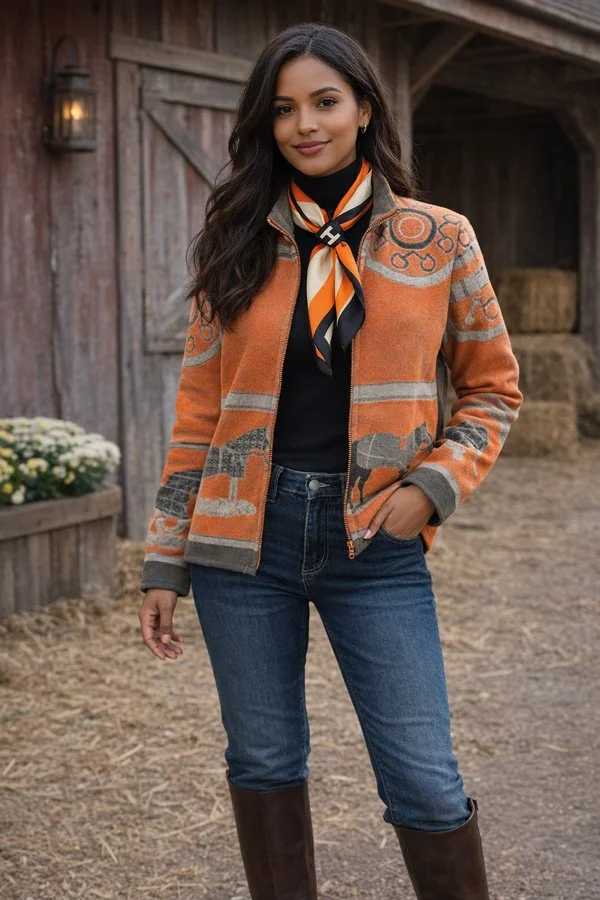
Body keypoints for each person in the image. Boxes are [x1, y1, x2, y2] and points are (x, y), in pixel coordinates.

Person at [138, 22, 523, 900]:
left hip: (376, 545)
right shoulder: (235, 239)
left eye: (324, 101)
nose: (303, 124)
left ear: (363, 109)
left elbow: (494, 389)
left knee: (424, 778)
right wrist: (166, 553)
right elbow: (197, 414)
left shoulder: (441, 239)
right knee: (264, 759)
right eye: (283, 109)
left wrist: (431, 488)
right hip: (242, 542)